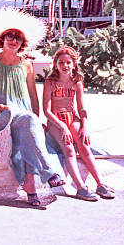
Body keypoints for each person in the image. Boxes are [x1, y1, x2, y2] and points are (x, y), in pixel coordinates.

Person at [0, 7, 65, 207]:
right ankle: (49, 172)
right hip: (0, 116)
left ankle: (30, 186)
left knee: (29, 131)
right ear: (2, 39)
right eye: (9, 36)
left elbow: (32, 96)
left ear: (22, 43)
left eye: (18, 38)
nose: (13, 40)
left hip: (24, 115)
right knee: (29, 125)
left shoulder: (26, 65)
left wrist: (38, 119)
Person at [42, 46, 115, 201]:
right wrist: (63, 127)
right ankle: (81, 188)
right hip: (56, 120)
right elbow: (46, 110)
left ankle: (100, 184)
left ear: (74, 64)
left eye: (68, 62)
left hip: (72, 117)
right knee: (68, 149)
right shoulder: (50, 82)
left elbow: (82, 108)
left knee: (84, 146)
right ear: (56, 64)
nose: (65, 66)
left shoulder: (77, 82)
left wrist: (84, 126)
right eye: (61, 62)